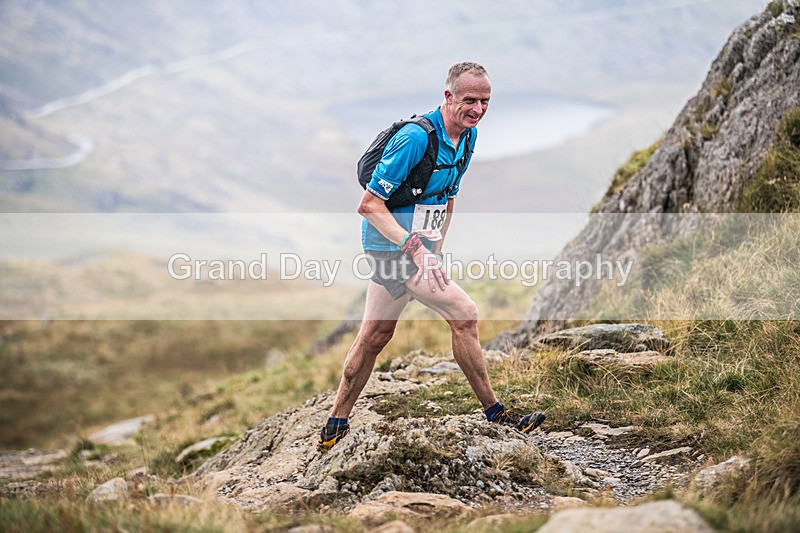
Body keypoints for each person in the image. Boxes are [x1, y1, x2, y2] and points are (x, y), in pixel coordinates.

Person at [318, 61, 545, 450]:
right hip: (390, 246)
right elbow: (370, 205)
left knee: (374, 335)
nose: (477, 109)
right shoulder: (415, 138)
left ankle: (334, 425)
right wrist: (417, 252)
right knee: (465, 314)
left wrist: (435, 251)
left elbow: (447, 198)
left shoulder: (468, 137)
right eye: (469, 100)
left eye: (485, 101)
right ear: (448, 96)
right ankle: (497, 413)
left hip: (419, 249)